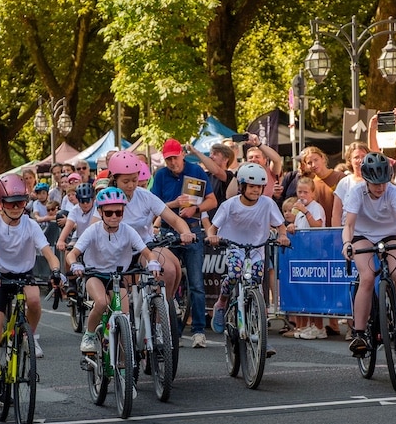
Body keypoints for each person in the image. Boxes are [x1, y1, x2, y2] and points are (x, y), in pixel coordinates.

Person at [0, 173, 61, 405]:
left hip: (25, 275)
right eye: (10, 203)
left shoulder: (30, 224)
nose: (16, 208)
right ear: (0, 203)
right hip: (0, 276)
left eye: (21, 202)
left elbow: (49, 254)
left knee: (34, 300)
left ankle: (28, 336)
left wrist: (56, 271)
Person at [341, 153, 396, 357]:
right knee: (367, 277)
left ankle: (392, 311)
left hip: (388, 234)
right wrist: (347, 243)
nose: (380, 188)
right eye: (375, 183)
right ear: (366, 180)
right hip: (362, 235)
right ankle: (359, 333)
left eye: (383, 183)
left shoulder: (392, 191)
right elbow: (349, 224)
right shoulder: (357, 191)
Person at [205, 163, 290, 353]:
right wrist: (212, 236)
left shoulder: (267, 203)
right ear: (242, 186)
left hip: (257, 249)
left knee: (257, 284)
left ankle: (261, 336)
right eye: (252, 186)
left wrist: (283, 236)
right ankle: (222, 302)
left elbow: (280, 226)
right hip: (234, 247)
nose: (256, 190)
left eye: (259, 187)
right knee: (235, 273)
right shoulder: (230, 205)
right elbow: (213, 227)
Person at [67, 187, 161, 354]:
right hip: (95, 275)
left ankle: (125, 373)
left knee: (124, 318)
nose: (114, 217)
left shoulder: (128, 230)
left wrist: (153, 262)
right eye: (109, 213)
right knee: (102, 302)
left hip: (118, 277)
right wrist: (75, 264)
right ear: (100, 212)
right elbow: (73, 254)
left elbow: (147, 252)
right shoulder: (93, 230)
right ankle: (88, 336)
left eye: (118, 212)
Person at [108, 151, 195, 325]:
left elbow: (174, 218)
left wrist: (185, 232)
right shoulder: (107, 198)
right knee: (119, 302)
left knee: (171, 268)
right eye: (126, 181)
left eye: (135, 179)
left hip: (144, 246)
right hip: (117, 251)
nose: (132, 185)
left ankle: (161, 313)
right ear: (114, 178)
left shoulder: (145, 195)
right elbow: (95, 226)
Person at [150, 138, 219, 348]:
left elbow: (212, 200)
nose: (172, 162)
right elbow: (153, 205)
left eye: (175, 157)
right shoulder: (160, 175)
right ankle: (172, 327)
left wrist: (195, 209)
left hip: (192, 229)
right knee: (168, 280)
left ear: (182, 154)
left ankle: (199, 331)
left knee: (196, 284)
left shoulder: (196, 171)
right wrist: (174, 204)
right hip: (168, 231)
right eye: (168, 159)